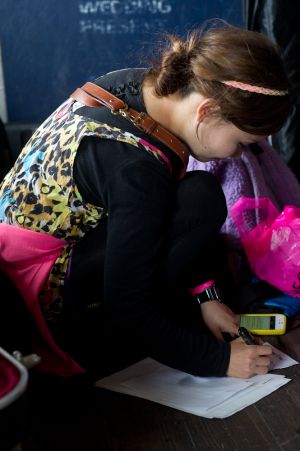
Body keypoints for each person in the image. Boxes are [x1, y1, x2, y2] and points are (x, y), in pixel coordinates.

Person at [0, 24, 290, 381]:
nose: (237, 155)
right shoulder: (135, 169)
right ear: (208, 111)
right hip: (46, 309)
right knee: (202, 199)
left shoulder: (137, 87)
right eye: (242, 141)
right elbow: (127, 305)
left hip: (32, 265)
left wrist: (206, 295)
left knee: (197, 194)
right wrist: (218, 360)